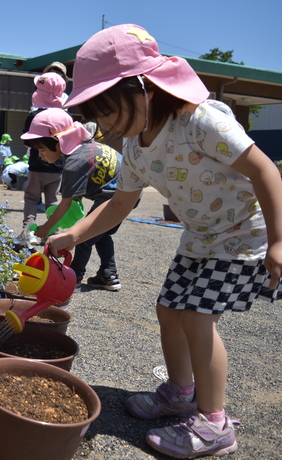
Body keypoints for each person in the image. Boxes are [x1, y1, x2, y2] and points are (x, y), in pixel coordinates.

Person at [46, 24, 282, 458]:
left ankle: (215, 423)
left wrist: (279, 242)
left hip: (243, 232)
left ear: (143, 87)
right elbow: (119, 205)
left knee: (196, 318)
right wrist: (74, 233)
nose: (106, 124)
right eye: (98, 115)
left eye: (109, 110)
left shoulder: (199, 120)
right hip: (200, 236)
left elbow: (265, 170)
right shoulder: (135, 147)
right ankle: (181, 392)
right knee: (168, 309)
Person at [22, 108, 125, 291]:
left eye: (42, 149)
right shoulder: (85, 148)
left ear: (58, 141)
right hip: (128, 191)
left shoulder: (74, 164)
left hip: (119, 195)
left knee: (83, 235)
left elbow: (65, 205)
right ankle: (108, 275)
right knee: (101, 233)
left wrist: (46, 229)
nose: (40, 155)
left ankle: (73, 279)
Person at [17, 71, 67, 246]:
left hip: (37, 165)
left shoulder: (34, 116)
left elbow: (27, 142)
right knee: (52, 201)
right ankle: (52, 233)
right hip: (58, 167)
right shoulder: (64, 116)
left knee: (31, 198)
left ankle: (28, 231)